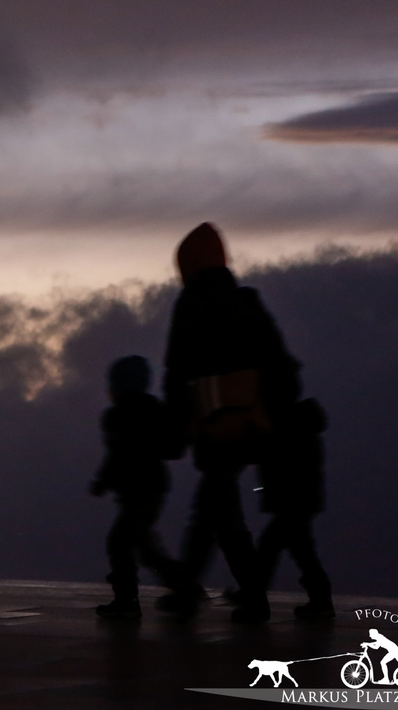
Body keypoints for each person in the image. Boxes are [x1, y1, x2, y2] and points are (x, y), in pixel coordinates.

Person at [161, 222, 301, 623]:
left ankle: (252, 596)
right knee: (211, 505)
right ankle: (191, 585)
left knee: (221, 511)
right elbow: (277, 362)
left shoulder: (191, 304)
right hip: (252, 423)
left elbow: (177, 370)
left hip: (213, 424)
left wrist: (174, 431)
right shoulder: (246, 302)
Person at [90, 355, 189, 620]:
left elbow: (117, 454)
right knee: (143, 548)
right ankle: (182, 586)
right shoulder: (147, 409)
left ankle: (127, 601)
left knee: (120, 543)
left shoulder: (119, 415)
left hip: (143, 491)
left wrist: (103, 480)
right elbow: (171, 447)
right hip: (148, 489)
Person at [257, 395, 334, 618]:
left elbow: (282, 469)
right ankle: (320, 599)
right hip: (301, 502)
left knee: (274, 548)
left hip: (292, 503)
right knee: (296, 550)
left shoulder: (292, 433)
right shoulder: (305, 433)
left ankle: (253, 591)